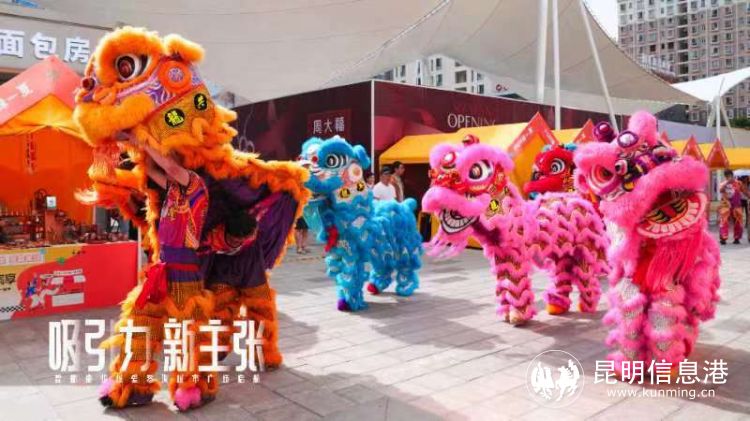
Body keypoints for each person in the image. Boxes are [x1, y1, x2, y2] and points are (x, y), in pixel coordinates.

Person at [718, 169, 748, 245]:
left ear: (732, 175)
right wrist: (727, 183)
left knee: (738, 221)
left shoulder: (738, 183)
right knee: (724, 221)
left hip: (737, 205)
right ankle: (723, 238)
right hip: (725, 205)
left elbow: (744, 191)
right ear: (725, 177)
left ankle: (737, 238)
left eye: (730, 175)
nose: (729, 177)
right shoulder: (723, 183)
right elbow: (720, 190)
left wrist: (748, 195)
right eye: (727, 176)